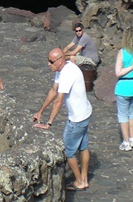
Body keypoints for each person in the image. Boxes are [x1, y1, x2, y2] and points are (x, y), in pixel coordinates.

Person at [33, 47, 92, 192]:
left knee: (68, 152)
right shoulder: (62, 70)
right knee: (83, 146)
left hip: (77, 118)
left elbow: (58, 101)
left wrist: (49, 123)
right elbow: (53, 90)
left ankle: (79, 181)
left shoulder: (67, 74)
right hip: (85, 113)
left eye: (50, 61)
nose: (48, 64)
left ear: (60, 61)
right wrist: (40, 111)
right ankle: (84, 178)